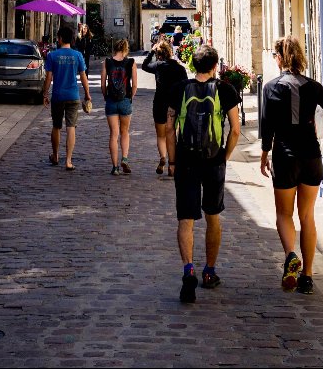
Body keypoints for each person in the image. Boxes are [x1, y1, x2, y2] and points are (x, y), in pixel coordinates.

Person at [260, 35, 323, 295]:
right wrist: (322, 128)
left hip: (285, 157)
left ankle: (290, 256)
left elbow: (267, 127)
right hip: (310, 156)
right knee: (307, 217)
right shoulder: (314, 86)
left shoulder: (271, 87)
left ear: (279, 58)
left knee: (284, 215)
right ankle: (307, 276)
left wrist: (264, 154)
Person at [166, 44, 240, 303]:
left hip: (186, 161)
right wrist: (224, 157)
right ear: (215, 66)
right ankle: (209, 271)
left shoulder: (180, 89)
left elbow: (169, 128)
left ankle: (188, 269)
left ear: (192, 65)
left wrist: (172, 161)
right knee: (213, 217)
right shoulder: (225, 89)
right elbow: (236, 129)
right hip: (213, 161)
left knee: (186, 219)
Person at [43, 24, 91, 171]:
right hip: (73, 95)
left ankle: (56, 155)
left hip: (58, 95)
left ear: (60, 38)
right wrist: (87, 95)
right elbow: (83, 77)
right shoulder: (77, 55)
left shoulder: (52, 55)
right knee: (71, 127)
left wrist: (45, 93)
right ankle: (69, 160)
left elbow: (49, 78)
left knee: (56, 126)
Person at [142, 38, 188, 173]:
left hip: (159, 103)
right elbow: (185, 86)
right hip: (174, 105)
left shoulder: (158, 66)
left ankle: (163, 157)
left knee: (160, 135)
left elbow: (145, 65)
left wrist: (151, 52)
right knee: (172, 133)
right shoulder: (179, 68)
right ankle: (172, 165)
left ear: (159, 54)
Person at [101, 38, 138, 175]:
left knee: (113, 134)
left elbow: (102, 85)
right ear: (125, 49)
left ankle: (115, 167)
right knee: (125, 132)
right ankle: (125, 158)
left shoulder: (107, 62)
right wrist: (130, 98)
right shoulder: (131, 62)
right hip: (125, 101)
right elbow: (134, 85)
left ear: (115, 48)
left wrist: (106, 97)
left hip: (111, 101)